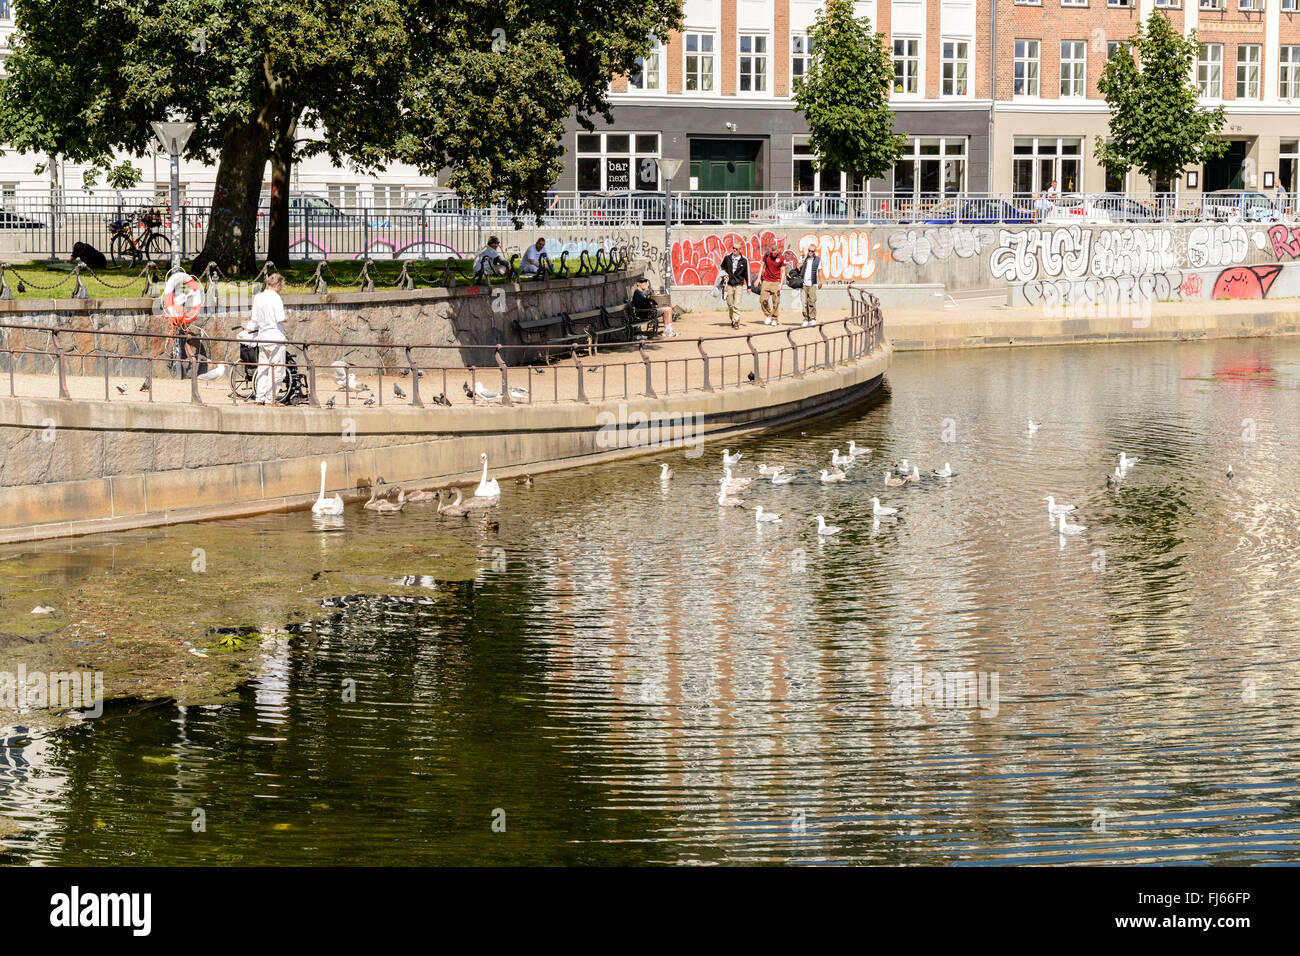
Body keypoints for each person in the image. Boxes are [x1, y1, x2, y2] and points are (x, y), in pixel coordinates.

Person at [245, 271, 287, 405]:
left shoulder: (258, 297)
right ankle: (270, 399)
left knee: (263, 369)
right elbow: (280, 319)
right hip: (276, 337)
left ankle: (260, 398)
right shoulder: (276, 298)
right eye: (281, 286)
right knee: (277, 370)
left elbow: (254, 319)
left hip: (262, 338)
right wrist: (287, 317)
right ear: (278, 285)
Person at [718, 239, 750, 329]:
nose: (734, 250)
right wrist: (723, 275)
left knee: (737, 305)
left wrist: (749, 286)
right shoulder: (727, 258)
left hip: (739, 284)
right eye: (733, 248)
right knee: (730, 304)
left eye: (736, 249)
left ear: (740, 250)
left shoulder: (744, 260)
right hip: (729, 284)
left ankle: (736, 322)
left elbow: (747, 273)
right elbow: (720, 267)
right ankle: (733, 319)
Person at [798, 242, 823, 328]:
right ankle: (805, 319)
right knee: (804, 302)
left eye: (812, 251)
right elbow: (798, 266)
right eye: (809, 250)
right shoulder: (802, 257)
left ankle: (812, 319)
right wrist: (805, 258)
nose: (810, 252)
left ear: (814, 251)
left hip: (812, 283)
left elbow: (819, 271)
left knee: (812, 301)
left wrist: (821, 281)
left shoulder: (817, 260)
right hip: (803, 284)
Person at [759, 240, 784, 325]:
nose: (774, 254)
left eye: (775, 253)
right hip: (766, 280)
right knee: (763, 300)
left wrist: (781, 283)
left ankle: (774, 319)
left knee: (776, 301)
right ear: (771, 251)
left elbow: (783, 271)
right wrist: (758, 278)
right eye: (772, 253)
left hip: (776, 281)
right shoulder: (766, 256)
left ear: (777, 251)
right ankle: (769, 315)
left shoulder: (781, 258)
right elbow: (762, 265)